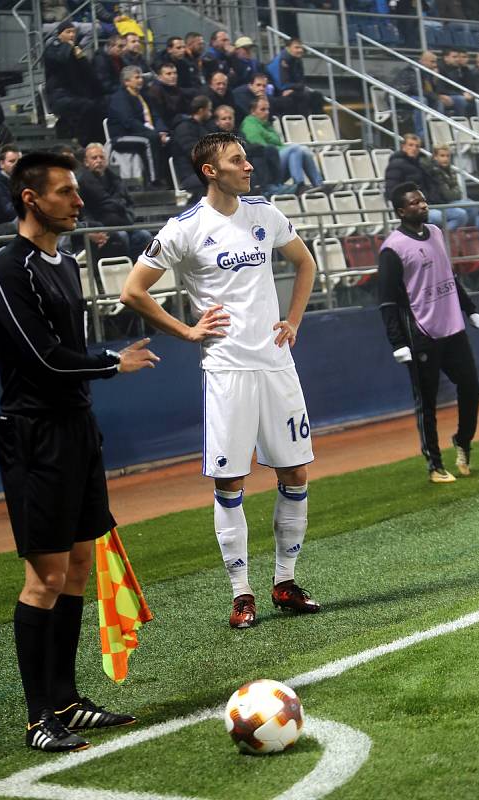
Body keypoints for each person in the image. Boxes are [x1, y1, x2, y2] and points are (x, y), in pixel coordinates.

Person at [0, 151, 159, 752]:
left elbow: (68, 352)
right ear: (32, 199)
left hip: (77, 427)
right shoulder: (10, 266)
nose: (78, 201)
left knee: (80, 563)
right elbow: (42, 358)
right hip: (34, 435)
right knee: (47, 575)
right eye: (65, 192)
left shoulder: (64, 262)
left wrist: (98, 378)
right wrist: (114, 362)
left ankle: (66, 699)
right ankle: (39, 719)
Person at [120, 131, 321, 628]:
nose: (247, 166)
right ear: (211, 171)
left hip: (276, 364)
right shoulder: (184, 228)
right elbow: (132, 291)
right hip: (227, 369)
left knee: (294, 473)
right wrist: (187, 331)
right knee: (231, 481)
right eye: (237, 160)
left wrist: (293, 319)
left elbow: (305, 262)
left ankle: (285, 582)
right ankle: (241, 594)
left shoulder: (265, 214)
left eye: (246, 158)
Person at [378, 181, 479, 483]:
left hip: (453, 328)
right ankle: (435, 465)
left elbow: (448, 275)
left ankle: (462, 440)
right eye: (414, 203)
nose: (422, 205)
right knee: (428, 401)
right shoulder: (393, 248)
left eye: (422, 200)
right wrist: (398, 341)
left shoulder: (436, 233)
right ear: (400, 211)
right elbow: (386, 300)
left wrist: (469, 307)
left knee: (471, 387)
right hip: (421, 333)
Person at [77, 142, 152, 259]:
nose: (99, 160)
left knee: (145, 236)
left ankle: (137, 270)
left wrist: (129, 215)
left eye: (102, 157)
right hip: (101, 227)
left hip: (124, 223)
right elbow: (84, 211)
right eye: (94, 158)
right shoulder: (82, 182)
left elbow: (130, 202)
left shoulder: (116, 179)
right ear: (86, 162)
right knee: (121, 236)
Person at [241, 96, 323, 194]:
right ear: (253, 111)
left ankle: (319, 185)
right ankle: (299, 184)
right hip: (268, 165)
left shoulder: (266, 124)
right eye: (262, 109)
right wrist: (278, 146)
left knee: (304, 150)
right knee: (295, 149)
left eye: (267, 109)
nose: (267, 112)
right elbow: (263, 149)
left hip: (277, 161)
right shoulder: (249, 124)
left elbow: (277, 144)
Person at [44, 21, 106, 144]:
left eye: (74, 32)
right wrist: (68, 46)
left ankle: (98, 143)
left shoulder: (76, 51)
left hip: (76, 94)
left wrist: (82, 58)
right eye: (68, 32)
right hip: (59, 95)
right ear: (59, 34)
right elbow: (60, 59)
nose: (72, 35)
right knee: (87, 107)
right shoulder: (52, 48)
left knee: (101, 106)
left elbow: (91, 76)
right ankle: (83, 142)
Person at [108, 65, 168, 185]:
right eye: (137, 77)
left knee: (169, 140)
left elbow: (155, 115)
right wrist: (153, 133)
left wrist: (161, 131)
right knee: (150, 140)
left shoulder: (144, 96)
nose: (140, 80)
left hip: (145, 132)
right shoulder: (119, 98)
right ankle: (154, 180)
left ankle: (169, 179)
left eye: (141, 77)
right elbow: (129, 121)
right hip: (123, 135)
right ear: (126, 82)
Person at [213, 104, 288, 196]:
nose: (228, 121)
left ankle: (276, 184)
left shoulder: (238, 132)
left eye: (230, 118)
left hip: (244, 159)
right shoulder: (214, 136)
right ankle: (265, 189)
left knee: (269, 150)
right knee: (257, 157)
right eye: (224, 119)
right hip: (228, 165)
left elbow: (245, 145)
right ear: (217, 122)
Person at [384, 134, 441, 226]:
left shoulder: (422, 163)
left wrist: (432, 198)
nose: (414, 148)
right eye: (410, 145)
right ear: (403, 146)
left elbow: (431, 184)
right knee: (438, 217)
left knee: (460, 214)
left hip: (429, 203)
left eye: (417, 146)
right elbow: (392, 191)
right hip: (412, 207)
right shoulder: (396, 164)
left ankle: (439, 238)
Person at [265, 39, 324, 117]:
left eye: (301, 48)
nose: (300, 50)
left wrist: (295, 88)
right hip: (278, 92)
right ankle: (304, 123)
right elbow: (281, 85)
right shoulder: (281, 60)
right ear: (288, 48)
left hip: (293, 90)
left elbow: (302, 82)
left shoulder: (297, 60)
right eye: (296, 47)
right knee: (302, 97)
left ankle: (318, 123)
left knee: (317, 95)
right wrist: (297, 87)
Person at [171, 95, 215, 199]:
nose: (210, 113)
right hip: (189, 174)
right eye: (209, 110)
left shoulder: (203, 127)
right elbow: (194, 152)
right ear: (201, 110)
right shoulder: (184, 128)